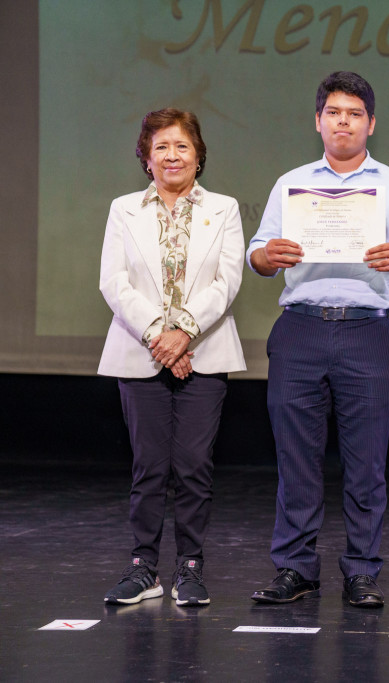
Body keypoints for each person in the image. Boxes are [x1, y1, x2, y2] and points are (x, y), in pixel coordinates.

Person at [247, 71, 389, 608]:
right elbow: (257, 253)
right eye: (333, 113)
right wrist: (267, 256)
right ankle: (295, 568)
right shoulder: (291, 183)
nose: (342, 122)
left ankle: (362, 571)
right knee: (295, 460)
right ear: (318, 121)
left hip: (366, 330)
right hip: (300, 328)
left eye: (354, 114)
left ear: (371, 123)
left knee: (366, 463)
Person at [98, 108, 246, 607]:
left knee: (194, 467)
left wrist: (183, 333)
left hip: (204, 351)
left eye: (182, 146)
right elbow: (114, 282)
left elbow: (227, 281)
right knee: (149, 468)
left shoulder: (223, 208)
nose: (172, 155)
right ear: (146, 157)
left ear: (198, 156)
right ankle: (144, 568)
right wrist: (159, 336)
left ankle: (190, 568)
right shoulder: (124, 209)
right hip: (140, 351)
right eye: (161, 146)